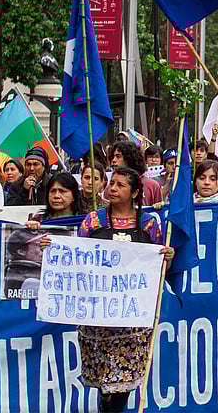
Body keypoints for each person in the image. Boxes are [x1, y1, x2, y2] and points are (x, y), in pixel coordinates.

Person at [39, 167, 173, 413]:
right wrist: (52, 246)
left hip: (133, 317)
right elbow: (75, 255)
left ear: (135, 192)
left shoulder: (148, 224)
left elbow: (160, 268)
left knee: (124, 377)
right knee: (103, 378)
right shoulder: (93, 221)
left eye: (121, 185)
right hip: (98, 315)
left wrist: (167, 257)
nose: (113, 188)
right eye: (112, 183)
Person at [109, 140, 163, 207]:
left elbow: (159, 211)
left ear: (130, 158)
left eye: (118, 156)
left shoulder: (152, 186)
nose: (114, 160)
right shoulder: (111, 187)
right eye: (113, 157)